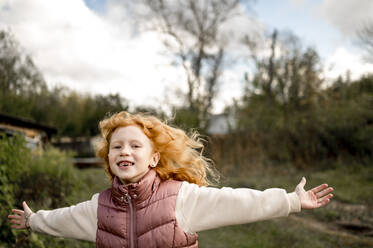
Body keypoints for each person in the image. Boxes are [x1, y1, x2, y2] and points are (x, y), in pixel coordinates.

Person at [8, 111, 334, 247]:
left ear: (153, 158)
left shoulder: (180, 198)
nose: (125, 151)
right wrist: (35, 220)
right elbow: (64, 219)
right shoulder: (100, 207)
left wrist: (291, 201)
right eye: (117, 146)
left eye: (135, 145)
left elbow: (236, 202)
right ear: (109, 159)